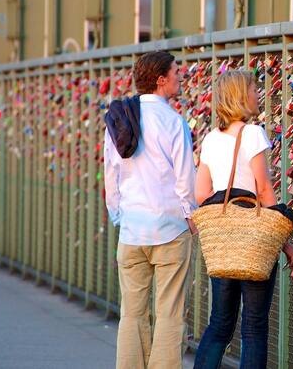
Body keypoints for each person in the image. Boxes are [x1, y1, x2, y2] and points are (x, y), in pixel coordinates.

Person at [192, 70, 293, 369]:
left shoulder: (211, 138)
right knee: (253, 327)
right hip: (254, 240)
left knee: (219, 324)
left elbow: (201, 193)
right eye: (253, 89)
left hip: (222, 240)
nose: (257, 94)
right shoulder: (252, 134)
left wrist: (226, 214)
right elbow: (263, 190)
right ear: (242, 95)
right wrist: (284, 242)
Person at [104, 51, 198, 369]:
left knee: (132, 314)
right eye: (175, 72)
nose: (179, 77)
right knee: (170, 314)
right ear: (161, 80)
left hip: (132, 230)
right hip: (170, 229)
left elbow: (111, 174)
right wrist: (190, 217)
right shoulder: (174, 122)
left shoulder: (119, 119)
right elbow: (185, 179)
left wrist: (119, 215)